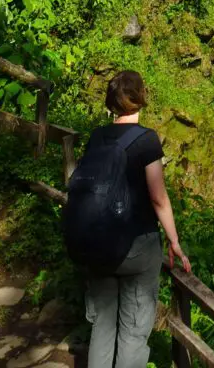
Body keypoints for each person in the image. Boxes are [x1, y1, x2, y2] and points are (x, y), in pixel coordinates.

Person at [82, 70, 191, 368]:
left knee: (102, 328)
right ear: (141, 97)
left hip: (99, 245)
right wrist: (174, 241)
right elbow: (158, 197)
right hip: (137, 248)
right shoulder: (146, 140)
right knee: (132, 332)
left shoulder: (97, 137)